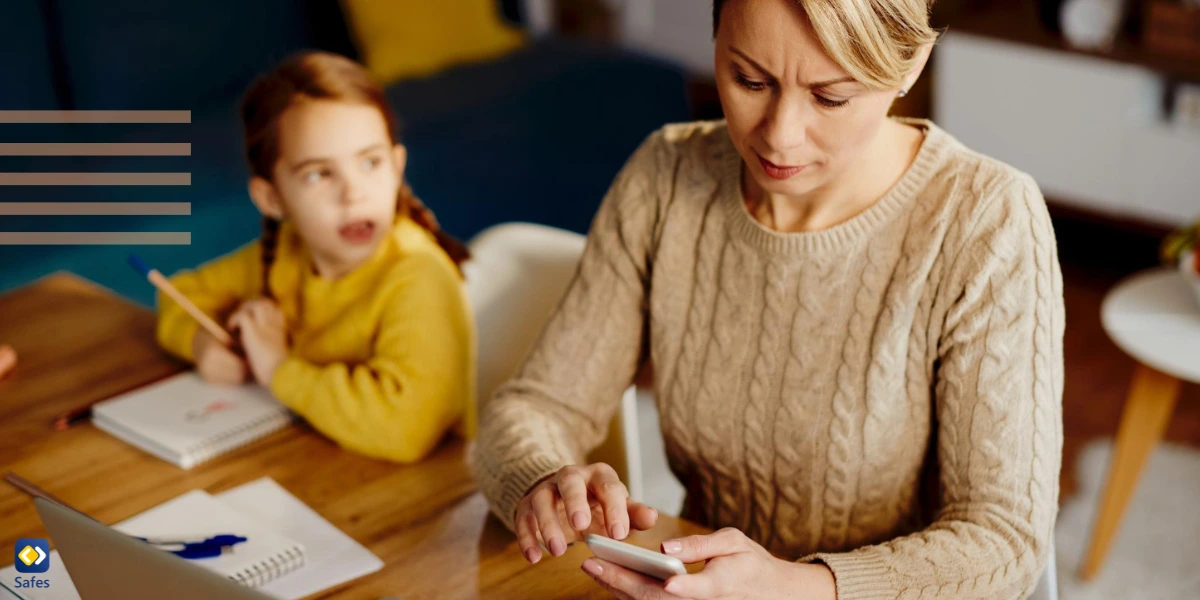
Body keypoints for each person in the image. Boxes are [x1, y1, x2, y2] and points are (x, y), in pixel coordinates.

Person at [471, 0, 1064, 598]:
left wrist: (796, 587)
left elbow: (1004, 539)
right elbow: (534, 407)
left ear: (910, 66)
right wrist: (543, 481)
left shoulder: (986, 219)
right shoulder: (666, 179)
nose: (779, 135)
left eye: (831, 97)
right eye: (749, 80)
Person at [156, 51, 475, 464]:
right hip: (312, 468)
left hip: (424, 501)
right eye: (319, 174)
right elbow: (178, 292)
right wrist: (202, 342)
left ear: (397, 168)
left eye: (370, 163)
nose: (353, 193)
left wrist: (277, 368)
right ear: (272, 198)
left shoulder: (418, 275)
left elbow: (406, 429)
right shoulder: (285, 252)